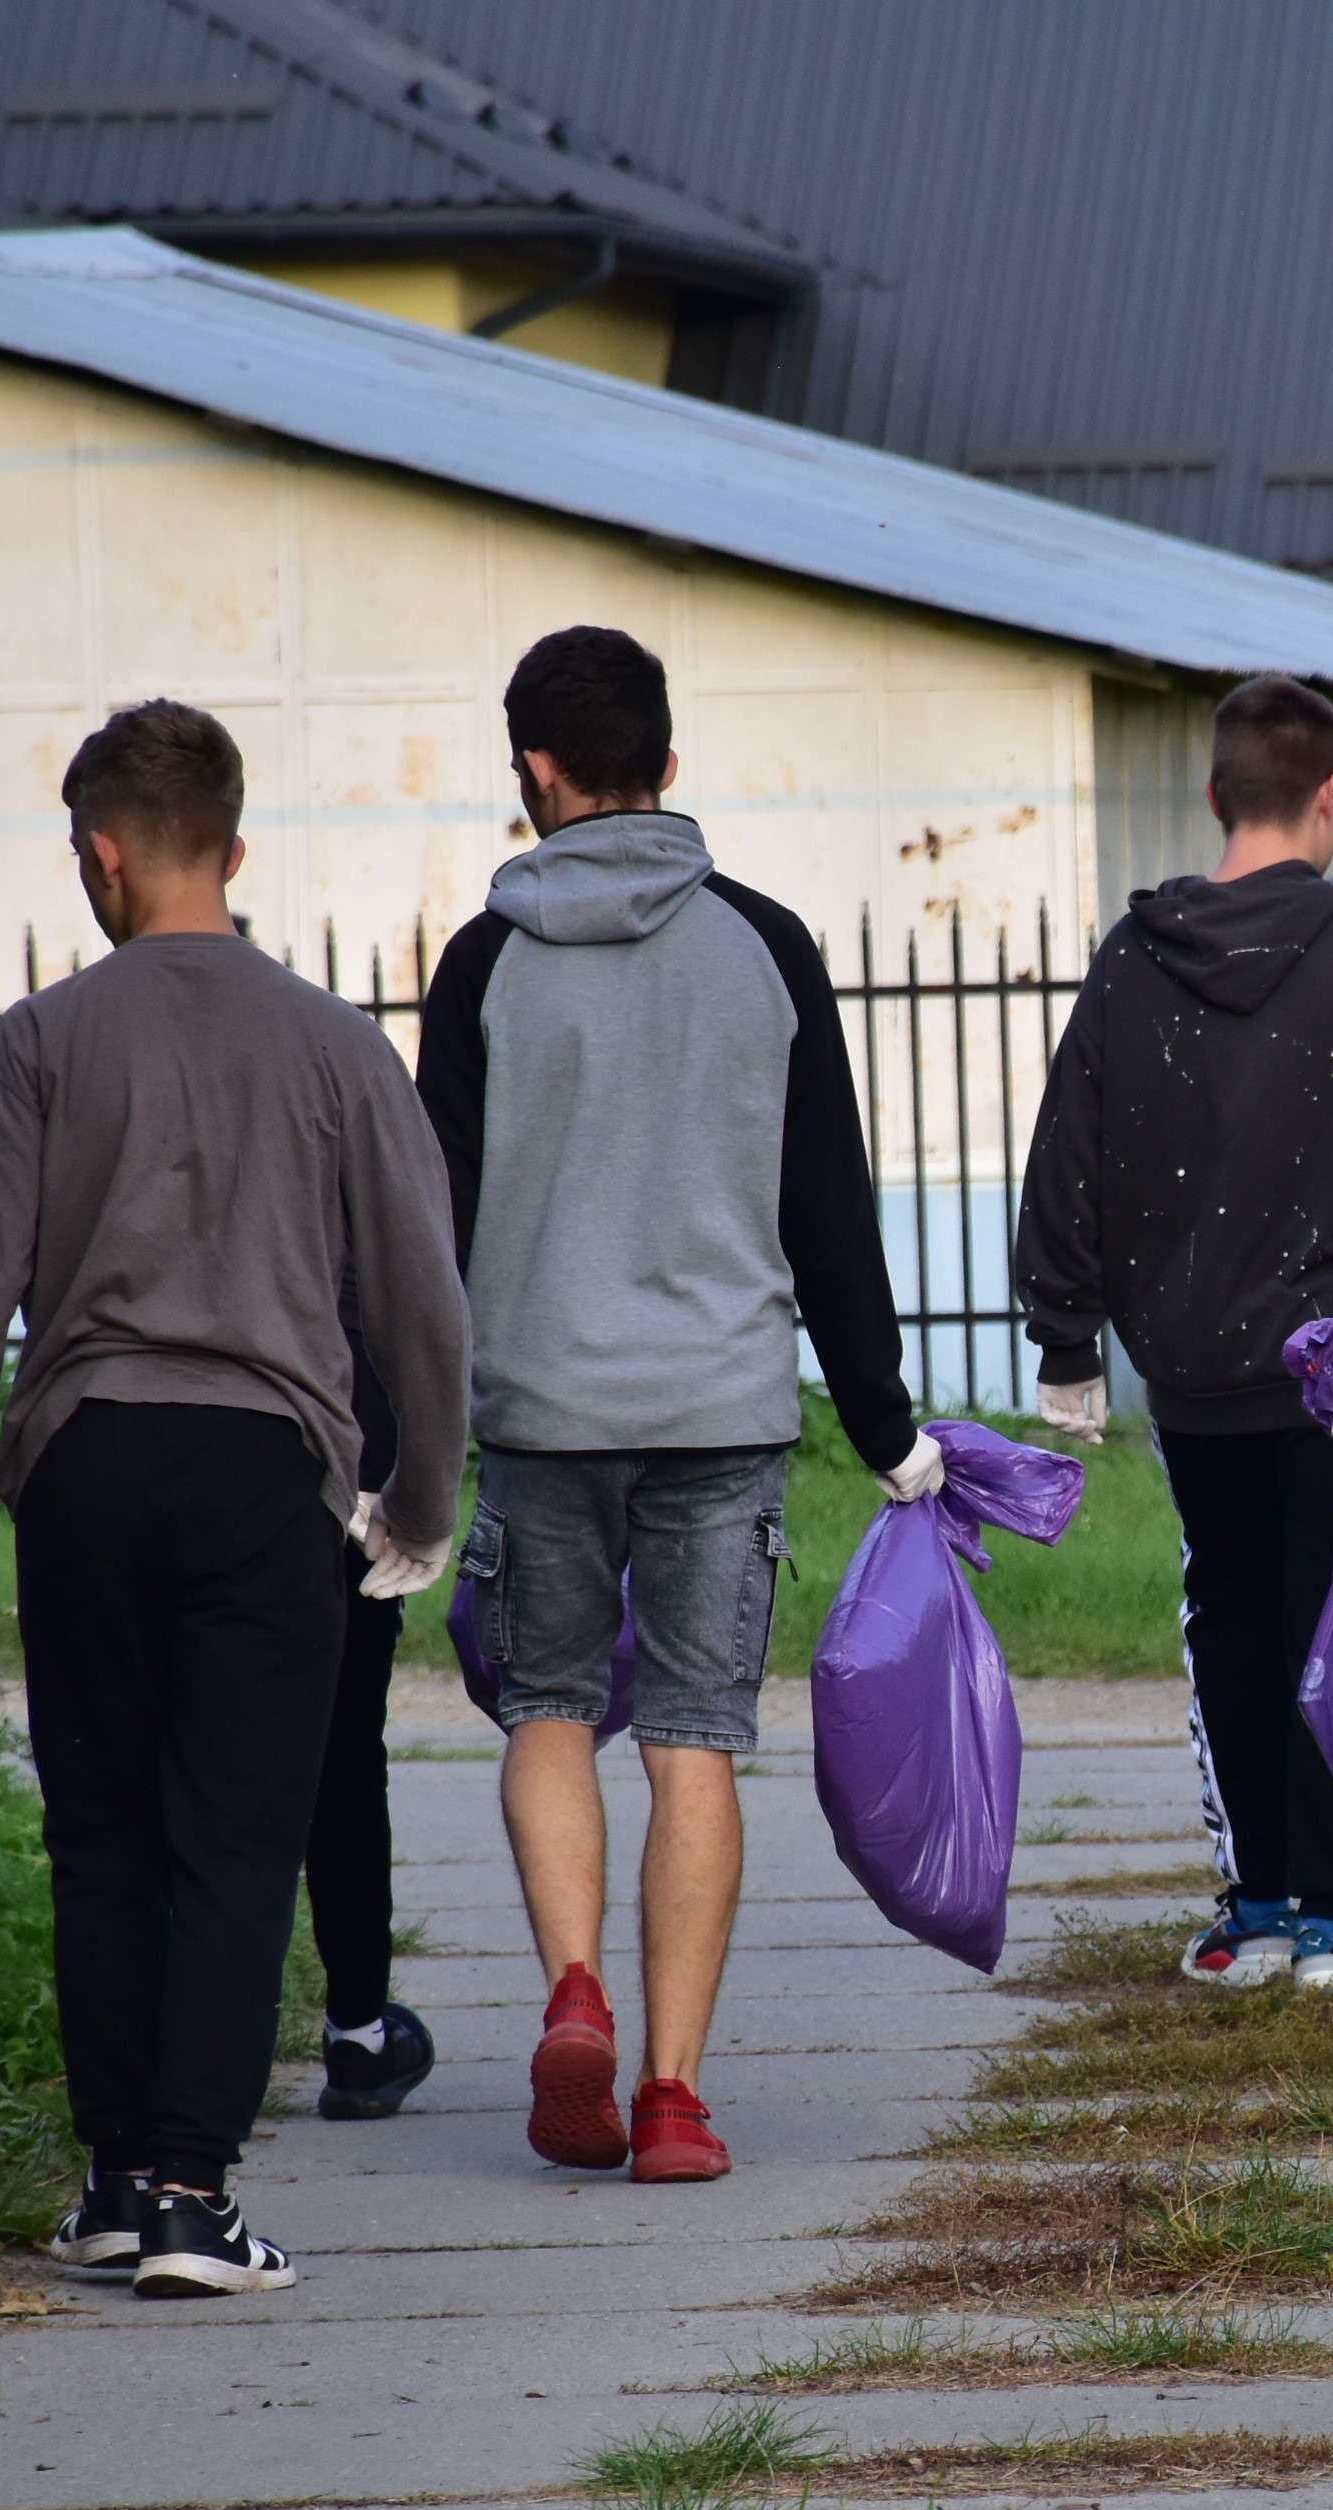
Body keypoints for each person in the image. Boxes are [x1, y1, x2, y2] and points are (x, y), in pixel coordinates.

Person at [0, 699, 468, 2299]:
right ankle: (197, 2192)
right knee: (236, 1834)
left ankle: (122, 2179)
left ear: (102, 853)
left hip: (83, 1463)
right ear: (237, 848)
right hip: (267, 1471)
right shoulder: (338, 1045)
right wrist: (417, 1500)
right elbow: (424, 1306)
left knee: (106, 1831)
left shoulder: (49, 1042)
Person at [417, 626, 932, 2183]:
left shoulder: (484, 964)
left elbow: (430, 1221)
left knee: (551, 1707)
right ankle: (674, 2097)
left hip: (543, 1411)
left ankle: (573, 1984)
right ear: (669, 768)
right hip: (720, 1411)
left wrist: (404, 1443)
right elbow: (828, 1207)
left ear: (535, 774)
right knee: (695, 1741)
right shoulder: (763, 945)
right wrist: (885, 1423)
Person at [1013, 674, 1333, 1996]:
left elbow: (1069, 1166)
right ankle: (1331, 1920)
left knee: (1228, 1615)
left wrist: (1067, 1346)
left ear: (1217, 794)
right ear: (1328, 799)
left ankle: (1255, 1908)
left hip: (1195, 1368)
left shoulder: (1132, 961)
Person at [303, 1305, 435, 2120]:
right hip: (343, 1437)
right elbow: (419, 1296)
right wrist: (418, 1489)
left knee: (180, 1763)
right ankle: (357, 2030)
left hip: (133, 1439)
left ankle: (175, 2054)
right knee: (343, 1757)